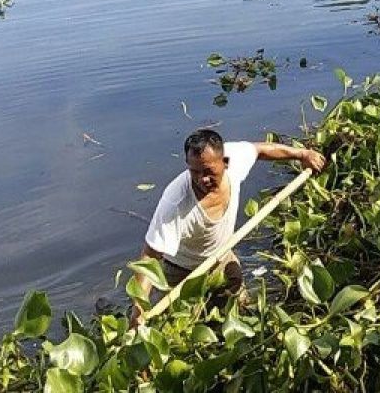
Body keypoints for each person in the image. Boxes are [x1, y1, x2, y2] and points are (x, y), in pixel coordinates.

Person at [129, 128, 326, 322]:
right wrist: (137, 314)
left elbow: (260, 150)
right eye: (195, 172)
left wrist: (302, 153)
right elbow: (149, 258)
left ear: (225, 163)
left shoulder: (234, 159)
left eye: (208, 171)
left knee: (240, 309)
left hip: (221, 256)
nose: (201, 179)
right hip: (181, 271)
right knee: (184, 326)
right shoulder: (176, 202)